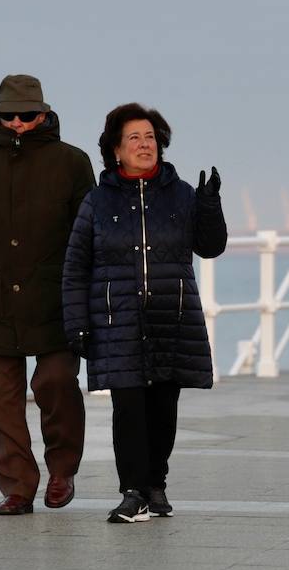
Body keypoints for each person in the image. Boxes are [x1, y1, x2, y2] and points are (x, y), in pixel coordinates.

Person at [62, 102, 227, 523]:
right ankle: (133, 489)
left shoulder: (182, 194)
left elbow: (210, 247)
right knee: (129, 408)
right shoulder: (97, 203)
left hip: (170, 319)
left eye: (150, 137)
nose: (144, 144)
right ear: (116, 150)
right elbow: (75, 267)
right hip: (118, 323)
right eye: (134, 138)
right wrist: (78, 323)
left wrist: (209, 206)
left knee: (162, 409)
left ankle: (156, 484)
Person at [0, 74, 95, 515]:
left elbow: (90, 235)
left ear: (44, 114)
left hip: (56, 300)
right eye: (9, 116)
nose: (19, 123)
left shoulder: (72, 162)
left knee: (56, 382)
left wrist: (89, 293)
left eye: (27, 115)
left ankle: (62, 469)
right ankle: (18, 487)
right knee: (2, 400)